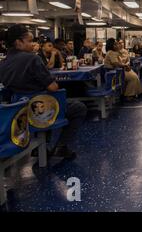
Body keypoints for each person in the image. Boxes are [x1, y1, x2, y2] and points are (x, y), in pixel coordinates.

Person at [0, 24, 87, 160]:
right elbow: (53, 87)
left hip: (18, 113)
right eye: (29, 41)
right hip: (39, 109)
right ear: (18, 42)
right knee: (78, 108)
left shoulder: (3, 64)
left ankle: (44, 145)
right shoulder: (32, 59)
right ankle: (61, 147)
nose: (33, 44)